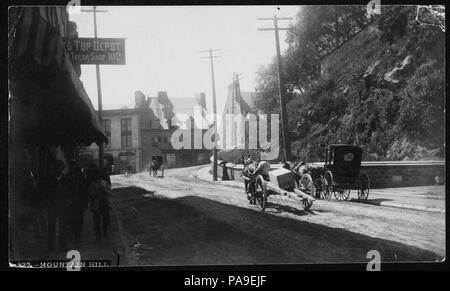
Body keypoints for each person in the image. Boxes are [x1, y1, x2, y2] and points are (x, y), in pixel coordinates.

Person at [46, 159, 72, 252]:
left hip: (62, 205)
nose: (58, 170)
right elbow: (45, 193)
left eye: (59, 168)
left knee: (63, 227)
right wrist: (47, 203)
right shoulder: (49, 179)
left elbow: (71, 191)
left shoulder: (66, 179)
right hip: (52, 206)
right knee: (51, 228)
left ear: (61, 169)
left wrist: (68, 201)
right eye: (56, 168)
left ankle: (63, 247)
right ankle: (50, 247)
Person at [88, 166, 112, 242]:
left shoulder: (105, 183)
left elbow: (109, 192)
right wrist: (97, 191)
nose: (98, 176)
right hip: (96, 204)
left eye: (99, 175)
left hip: (105, 203)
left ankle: (105, 231)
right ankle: (98, 236)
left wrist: (104, 190)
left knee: (106, 220)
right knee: (97, 222)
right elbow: (90, 194)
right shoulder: (92, 184)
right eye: (97, 175)